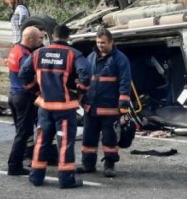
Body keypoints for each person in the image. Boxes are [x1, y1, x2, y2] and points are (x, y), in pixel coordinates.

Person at [18, 24, 89, 189]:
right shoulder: (73, 54)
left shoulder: (38, 53)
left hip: (44, 107)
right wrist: (79, 93)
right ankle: (66, 179)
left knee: (42, 141)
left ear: (52, 35)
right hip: (64, 109)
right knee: (64, 143)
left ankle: (36, 177)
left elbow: (23, 74)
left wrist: (36, 91)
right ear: (68, 37)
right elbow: (86, 75)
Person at [78, 27, 132, 178]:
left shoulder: (120, 59)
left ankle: (109, 165)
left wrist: (123, 104)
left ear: (111, 42)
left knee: (109, 139)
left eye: (103, 43)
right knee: (88, 138)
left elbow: (125, 82)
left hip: (109, 108)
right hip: (91, 108)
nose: (100, 45)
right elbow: (86, 78)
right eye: (98, 42)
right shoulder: (91, 57)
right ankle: (87, 164)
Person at [6, 26, 43, 176]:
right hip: (24, 96)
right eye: (38, 39)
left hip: (14, 95)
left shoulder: (16, 50)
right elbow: (26, 76)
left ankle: (20, 161)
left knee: (21, 132)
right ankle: (14, 166)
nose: (40, 42)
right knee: (23, 133)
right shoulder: (25, 55)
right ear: (30, 39)